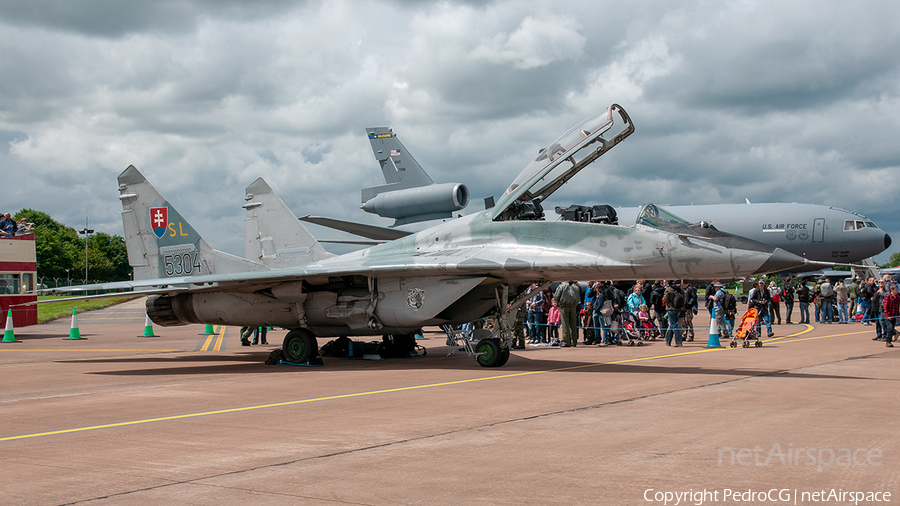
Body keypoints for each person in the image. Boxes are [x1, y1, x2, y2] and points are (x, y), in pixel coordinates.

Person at [554, 280, 581, 347]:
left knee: (565, 324)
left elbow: (556, 296)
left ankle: (566, 341)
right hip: (573, 306)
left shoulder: (561, 286)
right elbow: (578, 298)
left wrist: (559, 301)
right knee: (573, 325)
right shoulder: (576, 287)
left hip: (564, 306)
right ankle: (574, 341)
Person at [663, 280, 684, 347]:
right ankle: (668, 341)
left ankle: (678, 341)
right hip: (679, 309)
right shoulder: (680, 289)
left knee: (673, 325)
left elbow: (665, 299)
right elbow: (684, 299)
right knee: (673, 325)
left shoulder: (669, 289)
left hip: (671, 309)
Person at [881, 283, 899, 348]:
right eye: (896, 289)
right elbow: (885, 307)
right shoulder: (888, 297)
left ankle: (893, 335)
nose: (897, 291)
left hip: (894, 315)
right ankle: (888, 341)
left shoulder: (897, 298)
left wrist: (898, 316)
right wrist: (887, 315)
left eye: (897, 289)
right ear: (892, 289)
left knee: (891, 328)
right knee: (890, 328)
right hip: (888, 316)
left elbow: (898, 307)